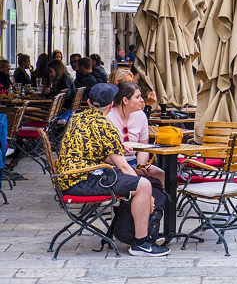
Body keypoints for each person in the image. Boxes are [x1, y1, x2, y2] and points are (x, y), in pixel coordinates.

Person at [55, 83, 169, 256]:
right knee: (144, 185)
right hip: (83, 181)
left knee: (140, 182)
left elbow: (92, 147)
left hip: (68, 178)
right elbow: (123, 166)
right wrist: (148, 195)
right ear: (110, 105)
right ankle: (141, 243)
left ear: (88, 102)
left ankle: (138, 235)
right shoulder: (106, 126)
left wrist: (117, 147)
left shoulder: (77, 117)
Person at [106, 82, 165, 185]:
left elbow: (144, 146)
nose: (142, 100)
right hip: (112, 165)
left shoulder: (141, 116)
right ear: (125, 100)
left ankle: (163, 200)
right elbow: (105, 155)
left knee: (160, 174)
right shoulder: (108, 117)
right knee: (139, 181)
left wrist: (140, 166)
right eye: (137, 97)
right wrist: (131, 169)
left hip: (134, 162)